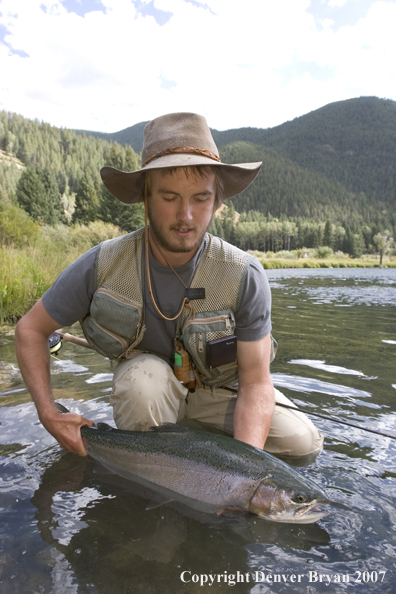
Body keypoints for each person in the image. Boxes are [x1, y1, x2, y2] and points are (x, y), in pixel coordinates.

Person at [15, 112, 323, 459]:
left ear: (217, 202)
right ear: (145, 198)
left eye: (200, 198)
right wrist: (49, 413)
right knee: (144, 384)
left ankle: (196, 448)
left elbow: (255, 382)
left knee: (302, 444)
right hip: (149, 395)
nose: (186, 216)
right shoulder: (102, 264)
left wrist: (241, 470)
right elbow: (30, 329)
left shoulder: (244, 274)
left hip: (219, 393)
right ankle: (149, 485)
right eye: (169, 197)